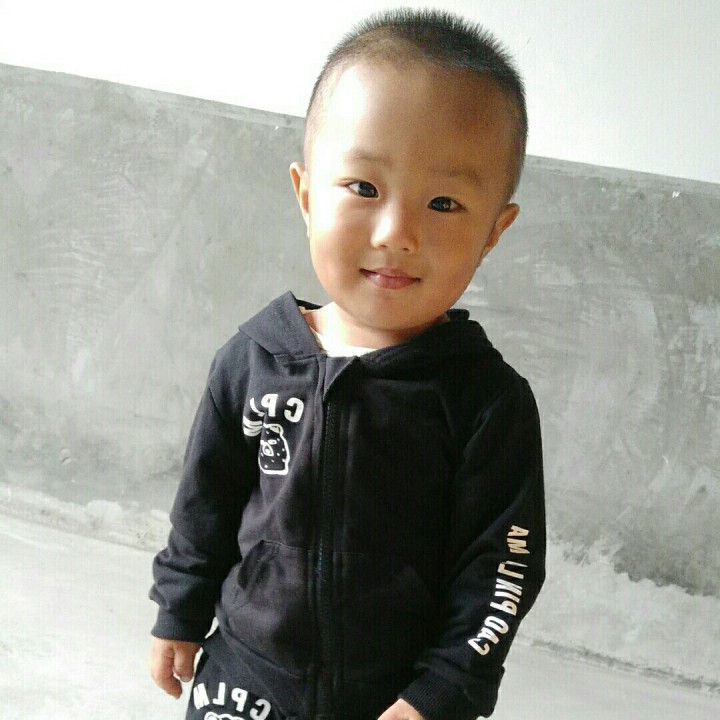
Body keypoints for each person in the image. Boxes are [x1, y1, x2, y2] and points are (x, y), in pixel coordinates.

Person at [149, 8, 545, 720]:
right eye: (364, 188)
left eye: (444, 202)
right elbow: (205, 502)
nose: (397, 233)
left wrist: (440, 692)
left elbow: (500, 570)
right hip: (246, 677)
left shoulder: (487, 402)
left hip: (392, 700)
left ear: (494, 230)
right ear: (306, 194)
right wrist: (179, 608)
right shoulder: (253, 358)